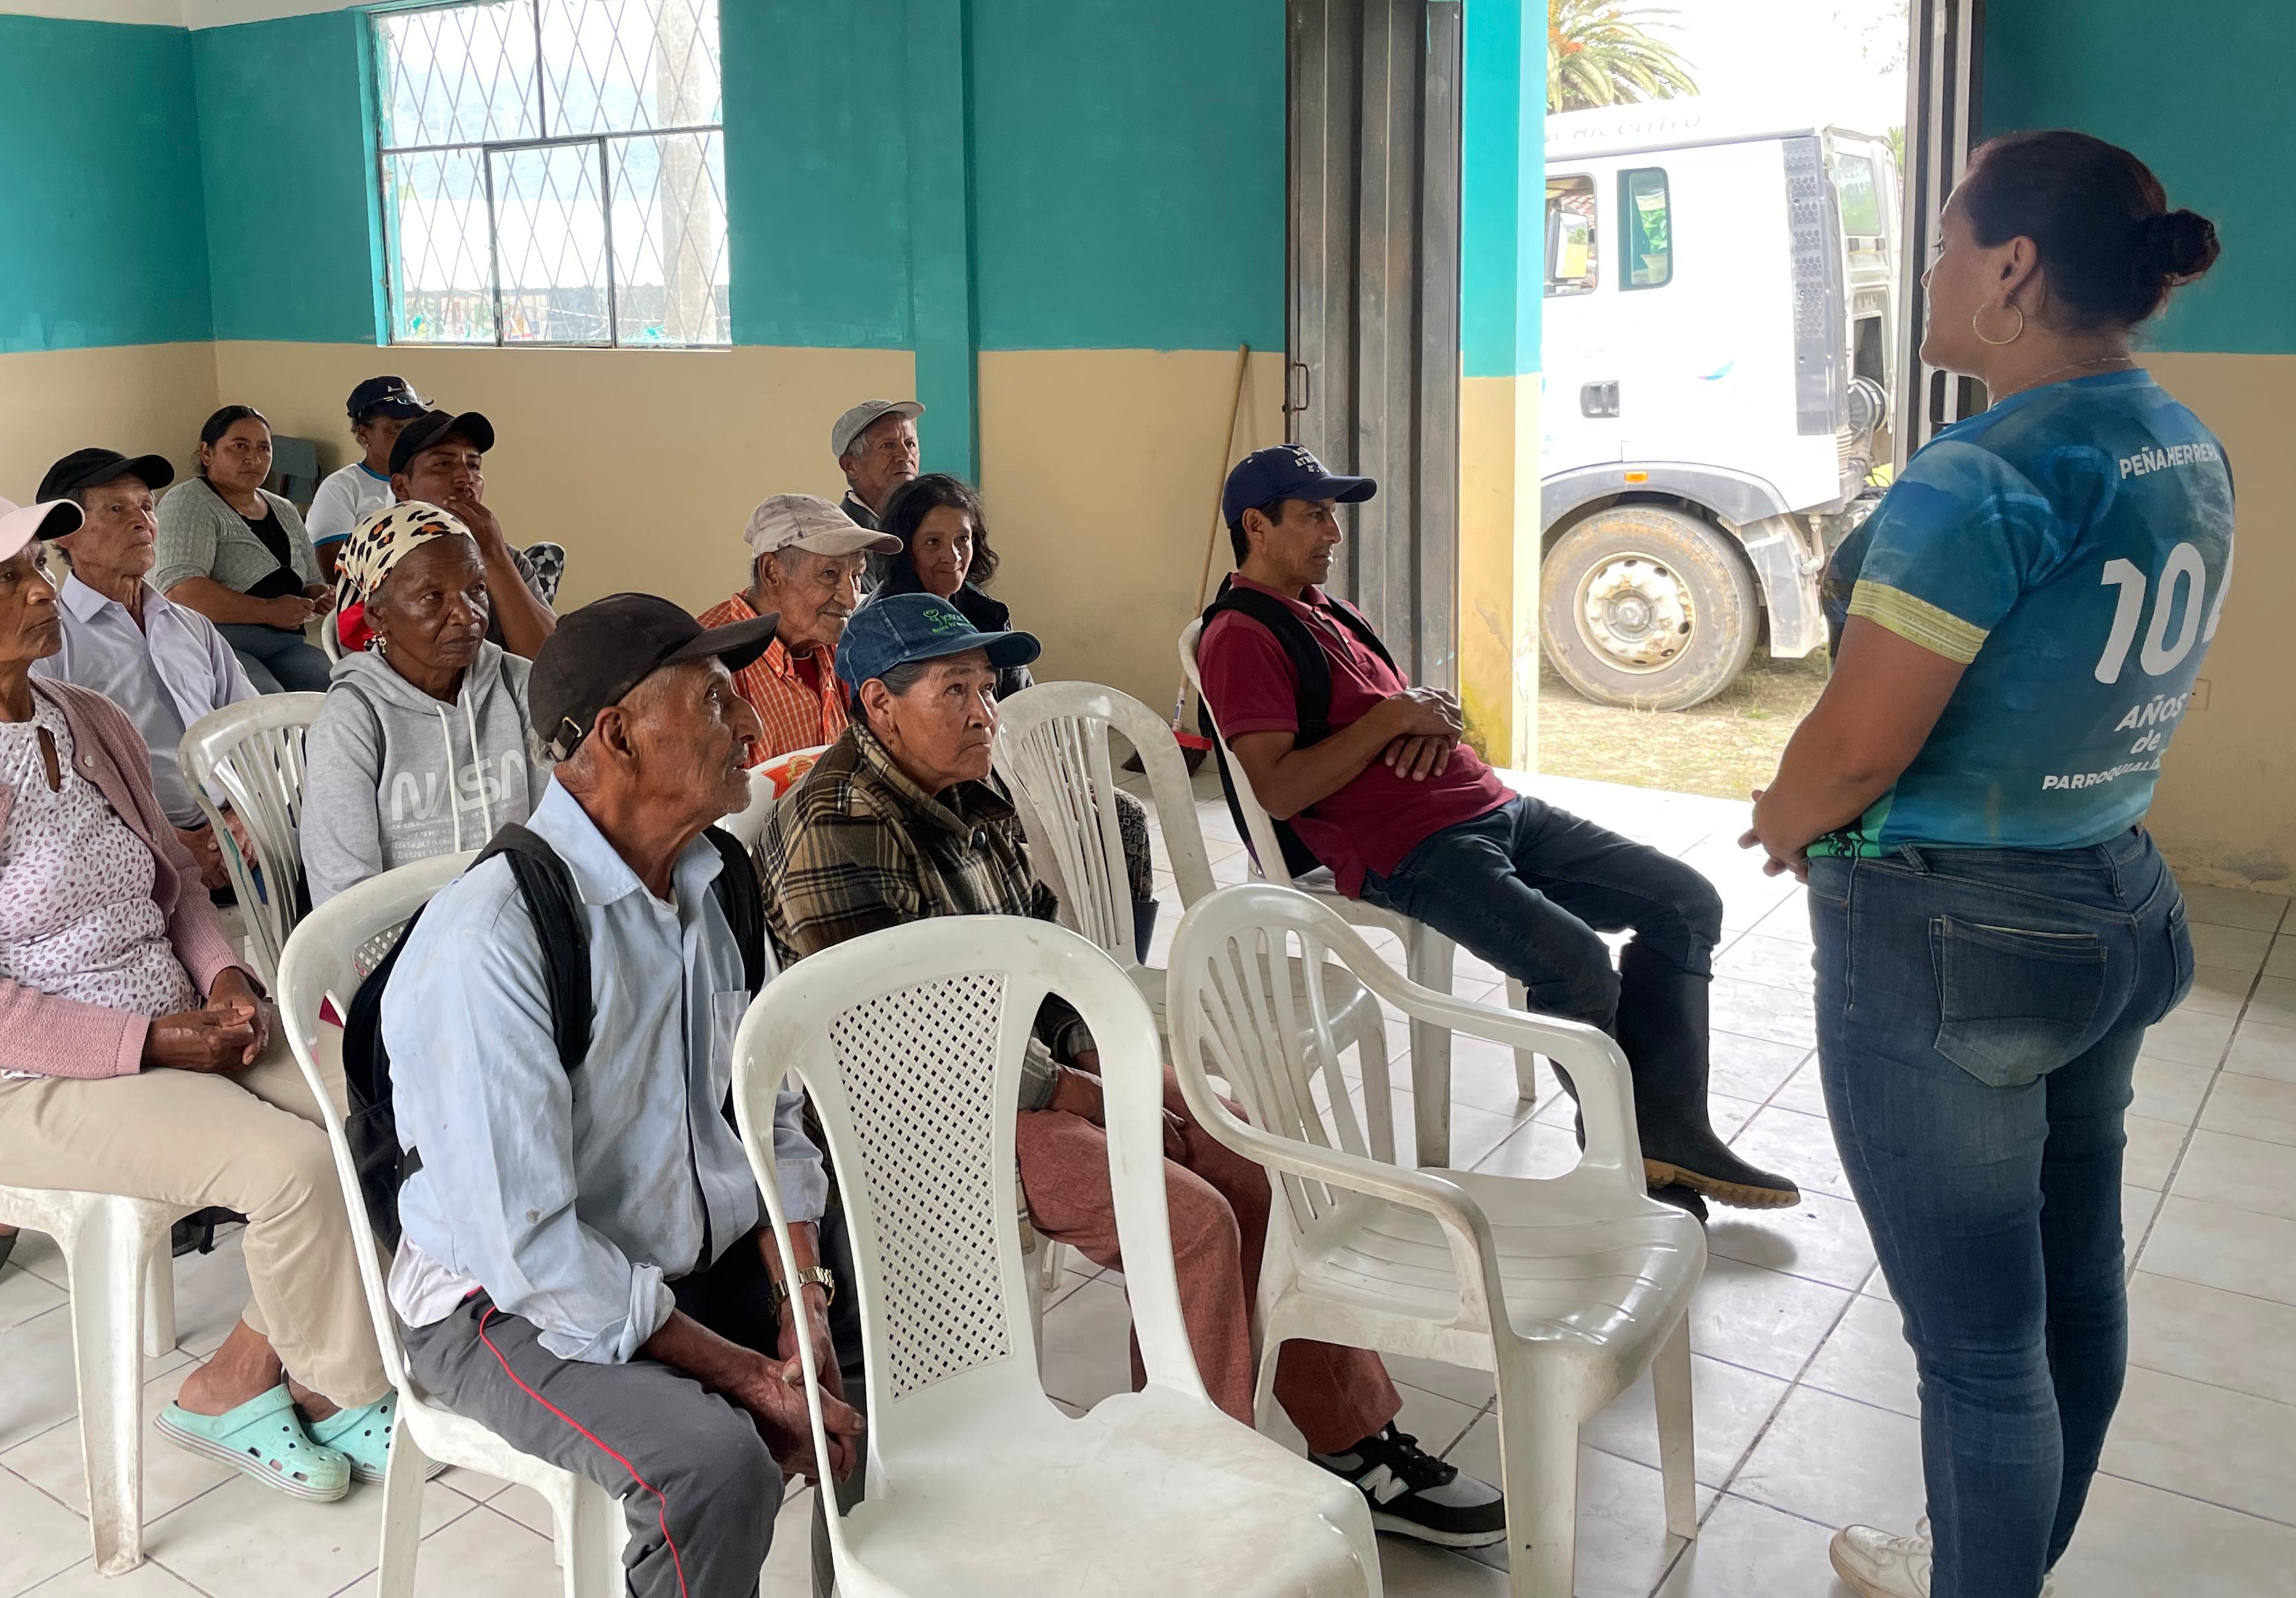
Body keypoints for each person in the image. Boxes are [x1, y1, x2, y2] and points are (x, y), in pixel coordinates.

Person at [758, 593, 1506, 1552]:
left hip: (1017, 1073)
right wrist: (1079, 1093)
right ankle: (1198, 1499)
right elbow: (902, 1045)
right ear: (878, 704)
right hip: (922, 1122)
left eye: (987, 688)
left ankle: (1353, 1443)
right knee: (1190, 1223)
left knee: (1243, 1149)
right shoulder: (838, 827)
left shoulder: (964, 786)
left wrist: (1103, 1058)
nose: (987, 713)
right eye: (956, 691)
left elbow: (1044, 950)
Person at [1746, 133, 2229, 1598]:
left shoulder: (1983, 474)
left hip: (1960, 946)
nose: (1927, 273)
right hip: (2117, 898)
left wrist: (1783, 818)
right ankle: (1996, 1563)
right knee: (2072, 1287)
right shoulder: (2174, 437)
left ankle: (1980, 1569)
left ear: (2011, 267)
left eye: (1947, 242)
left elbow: (1857, 747)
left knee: (1975, 1350)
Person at [0, 478, 396, 1502]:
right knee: (294, 1168)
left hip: (170, 1020)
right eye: (3, 580)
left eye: (36, 568)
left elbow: (171, 881)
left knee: (377, 1111)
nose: (41, 591)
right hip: (15, 1081)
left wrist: (225, 976)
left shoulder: (88, 719)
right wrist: (148, 1042)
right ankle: (341, 1388)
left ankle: (238, 1378)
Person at [382, 595, 856, 1598]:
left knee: (889, 1349)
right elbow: (530, 1249)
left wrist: (801, 1300)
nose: (752, 725)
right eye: (716, 702)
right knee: (714, 1470)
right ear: (618, 736)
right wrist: (745, 1373)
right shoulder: (494, 939)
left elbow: (766, 1112)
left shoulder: (716, 879)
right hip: (502, 1299)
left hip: (675, 1250)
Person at [1196, 443, 1796, 1219]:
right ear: (1256, 525)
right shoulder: (1241, 636)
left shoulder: (1328, 610)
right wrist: (1392, 719)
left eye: (1333, 516)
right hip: (1410, 848)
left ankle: (1669, 1132)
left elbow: (1394, 712)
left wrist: (1428, 716)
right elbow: (1278, 790)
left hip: (1493, 808)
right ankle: (1625, 1154)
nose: (1334, 534)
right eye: (1314, 516)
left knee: (1685, 902)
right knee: (1575, 965)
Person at [877, 471, 1160, 960]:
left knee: (1123, 816)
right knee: (1041, 840)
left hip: (1011, 772)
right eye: (933, 542)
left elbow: (1027, 715)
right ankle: (1055, 959)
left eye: (963, 539)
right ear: (905, 549)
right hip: (950, 787)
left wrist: (1060, 783)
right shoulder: (886, 626)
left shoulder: (985, 614)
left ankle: (1120, 964)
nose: (953, 555)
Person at [31, 447, 256, 895]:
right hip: (126, 859)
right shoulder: (50, 642)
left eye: (147, 506)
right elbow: (53, 782)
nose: (143, 522)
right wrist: (167, 842)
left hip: (238, 839)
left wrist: (244, 816)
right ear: (64, 534)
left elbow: (253, 729)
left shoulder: (191, 626)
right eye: (116, 509)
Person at [300, 503, 536, 907]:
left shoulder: (518, 685)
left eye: (477, 589)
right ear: (377, 616)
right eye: (433, 597)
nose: (467, 615)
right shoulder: (353, 721)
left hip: (521, 922)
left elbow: (561, 835)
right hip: (405, 938)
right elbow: (345, 898)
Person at [695, 494, 894, 763]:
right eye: (829, 574)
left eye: (856, 576)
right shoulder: (705, 658)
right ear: (772, 572)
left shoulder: (841, 645)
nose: (850, 599)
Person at [153, 405, 333, 695]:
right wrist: (268, 611)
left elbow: (311, 581)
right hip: (214, 644)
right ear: (207, 453)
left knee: (337, 691)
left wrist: (319, 596)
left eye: (264, 448)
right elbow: (180, 590)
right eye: (239, 446)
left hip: (285, 645)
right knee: (268, 707)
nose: (253, 458)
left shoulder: (284, 509)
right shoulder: (189, 501)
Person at [383, 407, 560, 655]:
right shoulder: (379, 564)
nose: (466, 478)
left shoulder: (508, 560)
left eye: (474, 465)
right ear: (402, 487)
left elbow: (553, 661)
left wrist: (493, 556)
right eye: (443, 464)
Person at [307, 375, 430, 576]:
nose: (407, 437)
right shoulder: (341, 488)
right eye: (395, 428)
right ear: (364, 434)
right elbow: (337, 575)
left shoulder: (424, 485)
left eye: (412, 427)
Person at [830, 398, 921, 534]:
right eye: (888, 445)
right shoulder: (844, 536)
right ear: (850, 466)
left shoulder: (927, 521)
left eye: (910, 444)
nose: (906, 456)